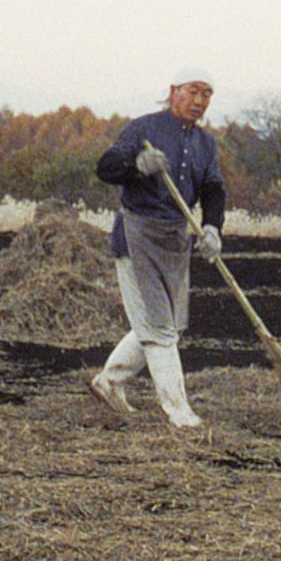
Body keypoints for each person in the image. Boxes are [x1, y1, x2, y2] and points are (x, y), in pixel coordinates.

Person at [89, 68, 225, 428]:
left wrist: (212, 226)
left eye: (207, 94)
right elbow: (105, 168)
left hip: (175, 238)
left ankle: (110, 381)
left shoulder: (205, 144)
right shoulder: (143, 129)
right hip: (137, 234)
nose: (200, 101)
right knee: (160, 328)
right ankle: (178, 410)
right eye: (193, 91)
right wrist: (136, 166)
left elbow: (213, 189)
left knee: (169, 325)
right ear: (173, 91)